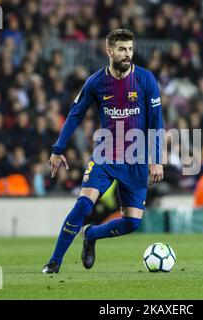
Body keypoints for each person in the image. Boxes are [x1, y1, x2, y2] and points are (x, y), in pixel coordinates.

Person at [42, 29, 164, 274]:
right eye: (122, 49)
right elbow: (75, 113)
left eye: (130, 49)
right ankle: (54, 262)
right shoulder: (96, 82)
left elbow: (156, 121)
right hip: (105, 154)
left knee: (131, 223)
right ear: (109, 51)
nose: (127, 54)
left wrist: (156, 160)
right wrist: (58, 148)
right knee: (84, 205)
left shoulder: (146, 79)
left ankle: (91, 234)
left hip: (137, 158)